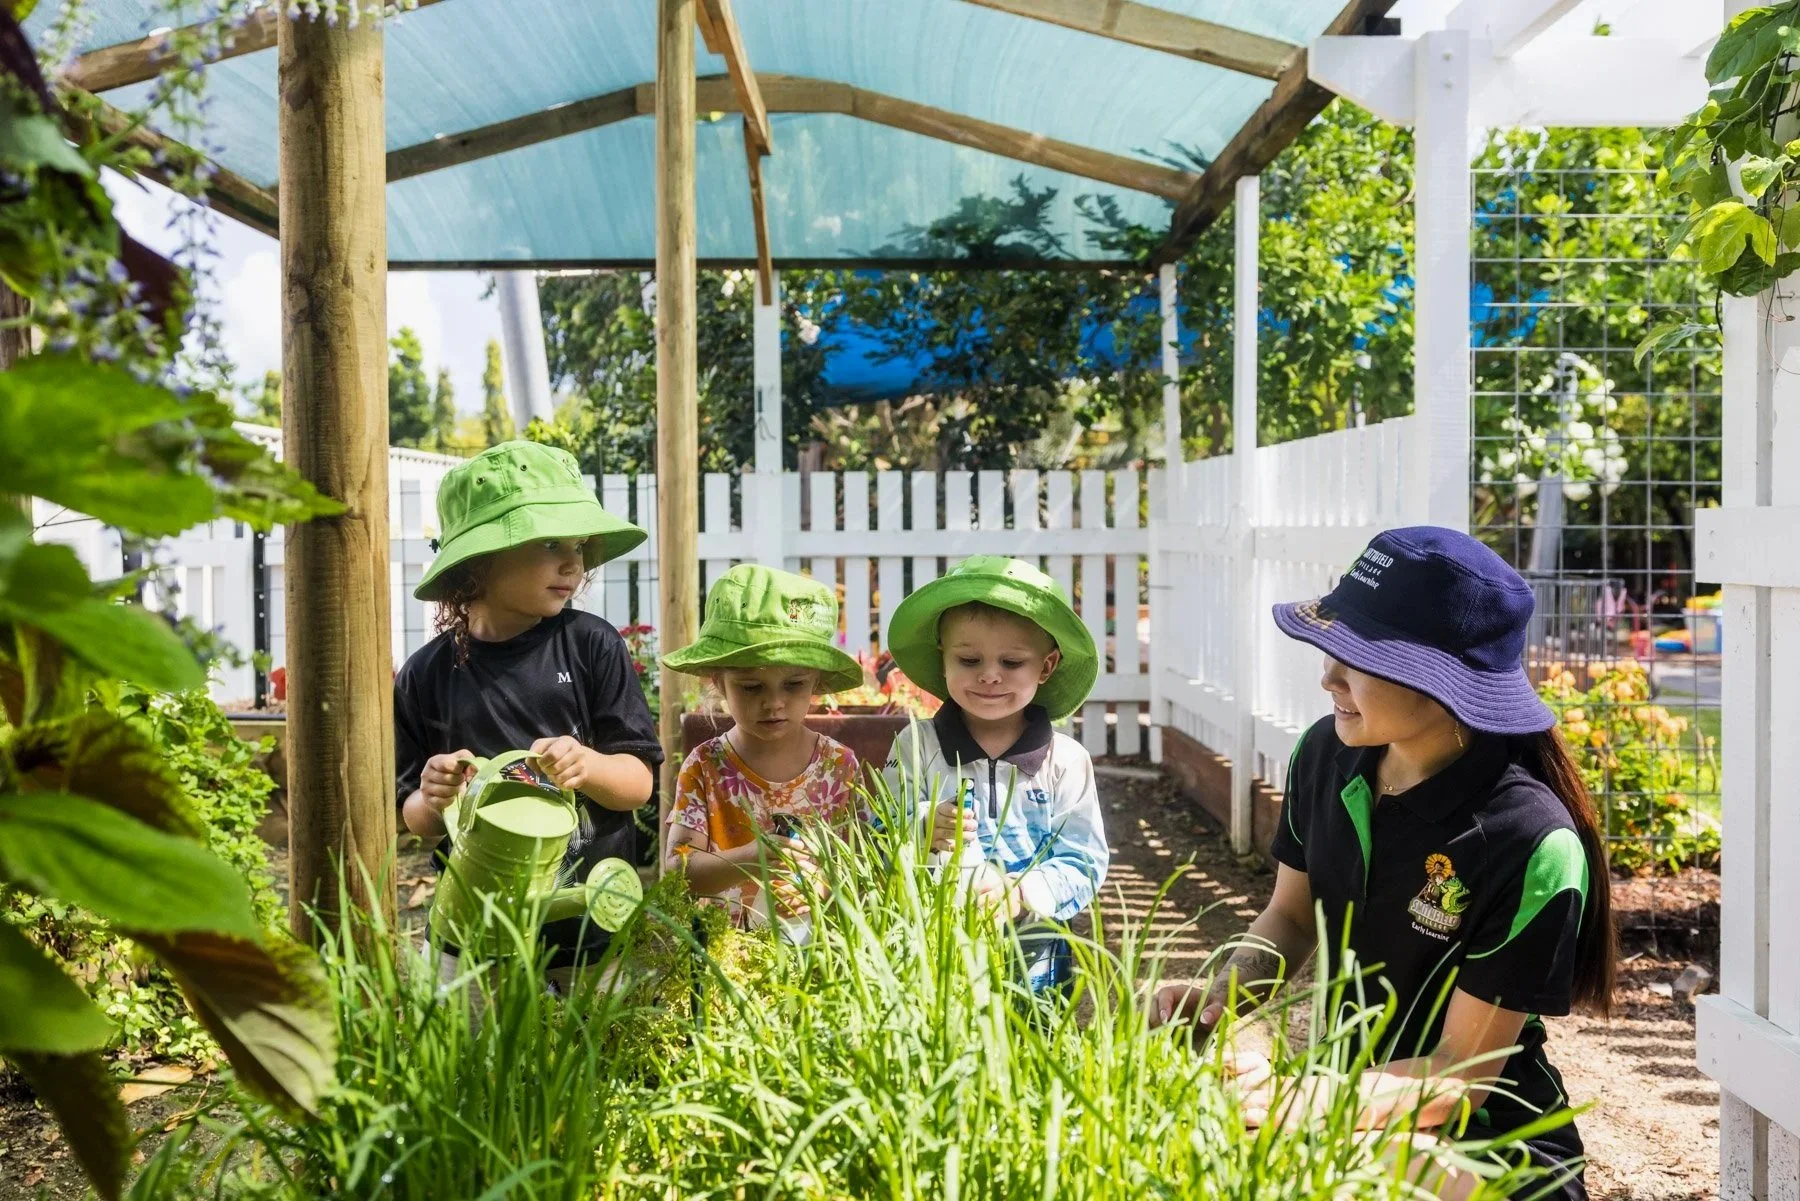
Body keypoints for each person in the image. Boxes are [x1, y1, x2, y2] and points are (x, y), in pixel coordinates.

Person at [1151, 527, 1616, 1200]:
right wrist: (1222, 997)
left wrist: (1299, 1103)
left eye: (1357, 656)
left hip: (1492, 1150)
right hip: (1350, 1107)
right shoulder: (1324, 753)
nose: (1327, 675)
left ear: (1443, 680)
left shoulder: (1530, 840)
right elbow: (1289, 916)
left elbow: (1460, 1073)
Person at [394, 441, 663, 990]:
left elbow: (639, 785)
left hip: (587, 933)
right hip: (471, 937)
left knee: (595, 1062)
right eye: (549, 543)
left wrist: (587, 764)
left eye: (579, 545)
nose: (574, 563)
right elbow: (416, 819)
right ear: (477, 562)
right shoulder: (425, 675)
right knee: (472, 1069)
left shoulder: (592, 646)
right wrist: (434, 794)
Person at [882, 555, 1109, 993]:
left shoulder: (1065, 760)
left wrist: (1021, 894)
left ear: (1046, 667)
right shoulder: (917, 747)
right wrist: (922, 826)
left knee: (1033, 1036)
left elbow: (1084, 858)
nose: (989, 676)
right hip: (931, 930)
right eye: (969, 660)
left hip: (1033, 940)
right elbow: (877, 827)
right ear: (942, 659)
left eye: (1011, 663)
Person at [660, 565, 867, 931]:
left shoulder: (838, 767)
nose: (774, 703)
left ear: (815, 682)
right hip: (724, 953)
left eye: (793, 685)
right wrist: (753, 858)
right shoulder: (705, 766)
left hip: (818, 951)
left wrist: (822, 885)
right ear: (718, 683)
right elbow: (678, 870)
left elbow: (861, 865)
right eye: (752, 687)